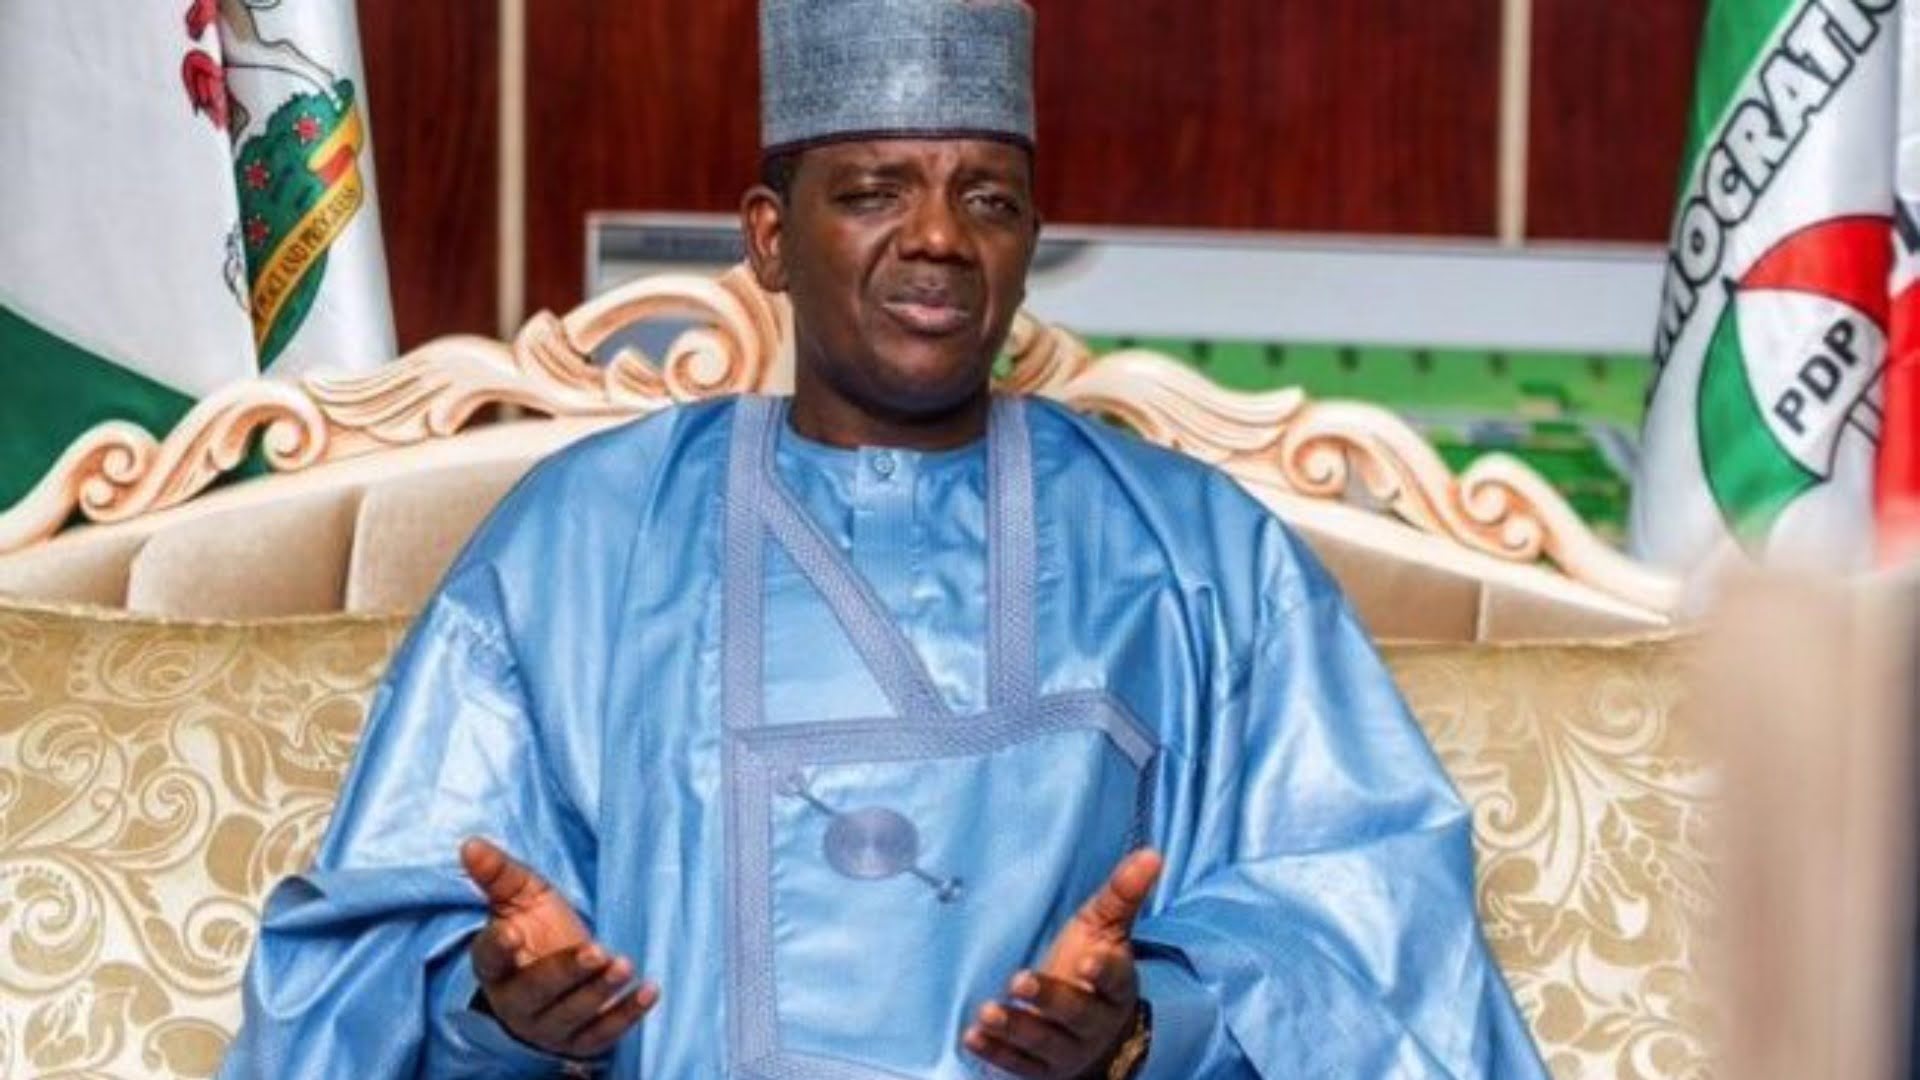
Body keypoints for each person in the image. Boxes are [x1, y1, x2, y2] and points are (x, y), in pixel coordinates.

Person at [221, 1, 1546, 1076]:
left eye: (990, 199)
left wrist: (1146, 1028)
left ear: (1029, 242)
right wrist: (499, 1010)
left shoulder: (1202, 556)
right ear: (770, 239)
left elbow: (1376, 931)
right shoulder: (581, 542)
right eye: (873, 190)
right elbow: (362, 971)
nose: (939, 238)